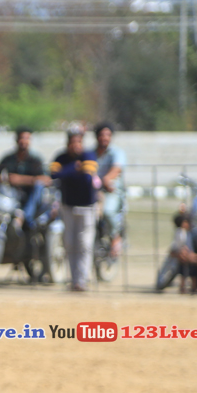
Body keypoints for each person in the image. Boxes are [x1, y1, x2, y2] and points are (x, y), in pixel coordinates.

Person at [50, 126, 100, 292]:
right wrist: (74, 167)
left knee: (84, 244)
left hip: (87, 206)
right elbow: (54, 175)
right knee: (70, 243)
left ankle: (82, 280)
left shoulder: (89, 156)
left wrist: (68, 172)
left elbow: (87, 177)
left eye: (78, 142)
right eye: (72, 142)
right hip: (68, 205)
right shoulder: (61, 157)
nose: (75, 146)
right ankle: (73, 280)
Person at [0, 128, 51, 232]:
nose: (24, 141)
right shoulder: (8, 159)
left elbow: (47, 180)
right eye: (21, 138)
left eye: (27, 138)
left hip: (30, 197)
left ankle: (24, 216)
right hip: (11, 196)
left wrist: (21, 179)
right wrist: (4, 179)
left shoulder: (35, 160)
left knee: (38, 186)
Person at [93, 122, 126, 257]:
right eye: (102, 135)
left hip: (110, 190)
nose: (104, 138)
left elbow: (117, 169)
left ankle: (115, 236)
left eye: (108, 135)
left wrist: (106, 179)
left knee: (107, 211)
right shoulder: (91, 153)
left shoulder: (116, 153)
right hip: (94, 191)